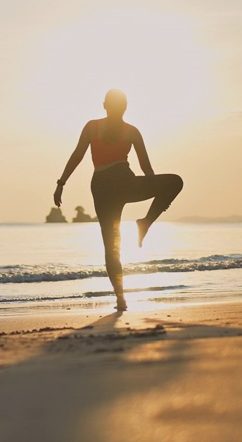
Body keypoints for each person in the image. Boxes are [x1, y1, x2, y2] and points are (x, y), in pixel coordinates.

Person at [54, 89, 183, 311]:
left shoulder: (92, 127)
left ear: (105, 105)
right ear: (125, 107)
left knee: (111, 246)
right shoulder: (131, 131)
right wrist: (156, 192)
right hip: (124, 184)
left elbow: (77, 156)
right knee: (175, 181)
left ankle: (120, 299)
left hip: (103, 186)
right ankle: (146, 222)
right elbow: (146, 168)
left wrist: (61, 184)